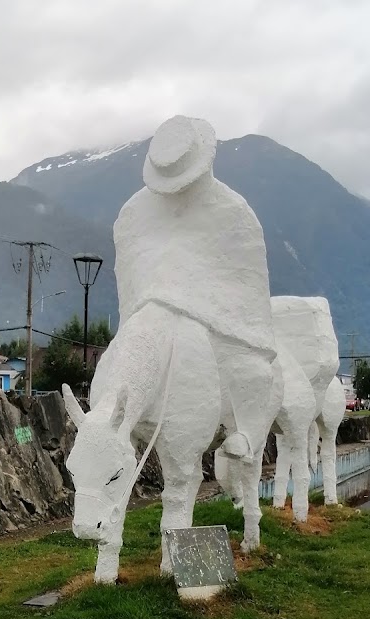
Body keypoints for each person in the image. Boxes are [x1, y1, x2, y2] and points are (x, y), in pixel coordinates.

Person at [114, 115, 279, 460]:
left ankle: (245, 431)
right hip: (150, 319)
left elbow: (246, 289)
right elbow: (131, 279)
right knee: (115, 368)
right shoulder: (132, 215)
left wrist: (199, 308)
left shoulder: (234, 213)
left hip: (217, 322)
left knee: (253, 371)